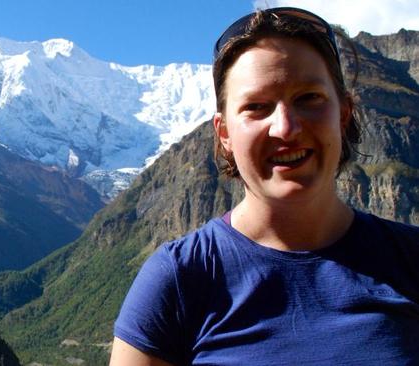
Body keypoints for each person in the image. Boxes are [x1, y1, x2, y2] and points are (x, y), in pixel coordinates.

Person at [110, 7, 419, 366]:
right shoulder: (178, 279)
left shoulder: (411, 259)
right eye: (257, 107)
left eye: (309, 99)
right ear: (224, 133)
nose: (285, 128)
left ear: (344, 114)